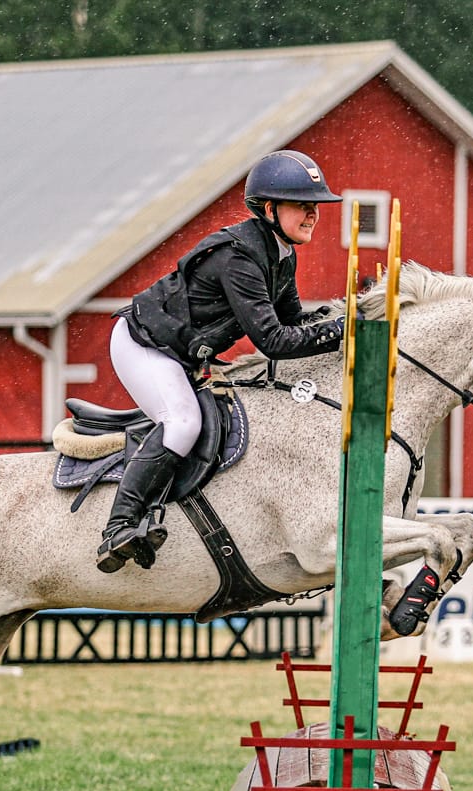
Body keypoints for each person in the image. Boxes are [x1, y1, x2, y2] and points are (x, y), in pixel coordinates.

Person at [97, 149, 346, 573]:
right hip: (144, 344)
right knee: (182, 422)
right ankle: (118, 526)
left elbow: (291, 321)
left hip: (179, 352)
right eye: (302, 206)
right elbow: (274, 341)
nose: (312, 215)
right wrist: (343, 332)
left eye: (315, 207)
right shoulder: (240, 258)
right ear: (269, 209)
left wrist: (341, 315)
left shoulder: (280, 255)